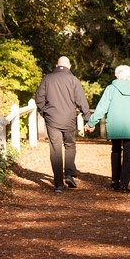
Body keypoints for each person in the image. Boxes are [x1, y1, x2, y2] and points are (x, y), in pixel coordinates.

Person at [84, 65, 130, 193]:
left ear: (117, 75)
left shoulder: (111, 89)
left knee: (116, 150)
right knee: (128, 155)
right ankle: (124, 184)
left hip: (115, 125)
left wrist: (91, 123)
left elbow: (102, 107)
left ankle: (115, 181)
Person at [34, 56, 92, 194]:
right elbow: (81, 100)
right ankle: (69, 174)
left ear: (56, 65)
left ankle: (58, 185)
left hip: (52, 119)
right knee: (70, 145)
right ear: (69, 66)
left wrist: (45, 113)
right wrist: (88, 118)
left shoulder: (47, 79)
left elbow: (39, 98)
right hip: (69, 119)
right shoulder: (73, 80)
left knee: (56, 149)